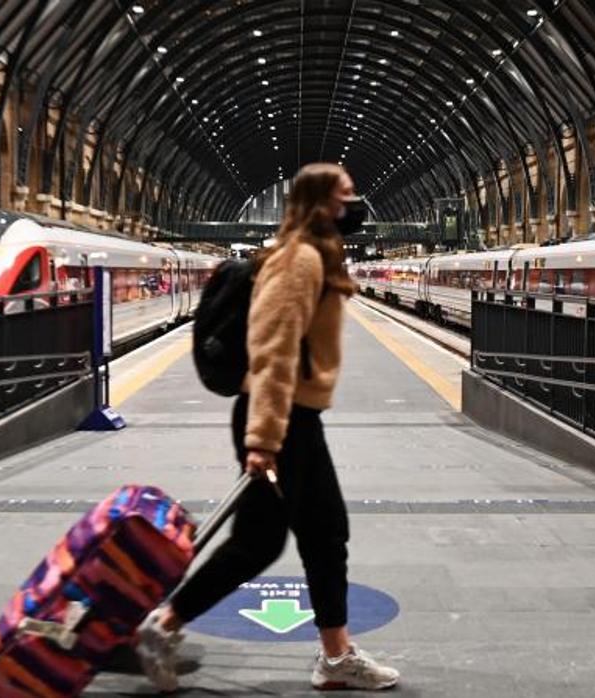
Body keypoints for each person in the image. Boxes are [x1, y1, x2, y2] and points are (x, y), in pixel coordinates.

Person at [137, 163, 400, 692]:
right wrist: (263, 441)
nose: (357, 205)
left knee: (319, 536)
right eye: (348, 195)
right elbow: (274, 352)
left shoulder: (316, 255)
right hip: (280, 421)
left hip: (292, 419)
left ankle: (334, 656)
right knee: (267, 542)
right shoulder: (298, 260)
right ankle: (162, 626)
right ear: (321, 202)